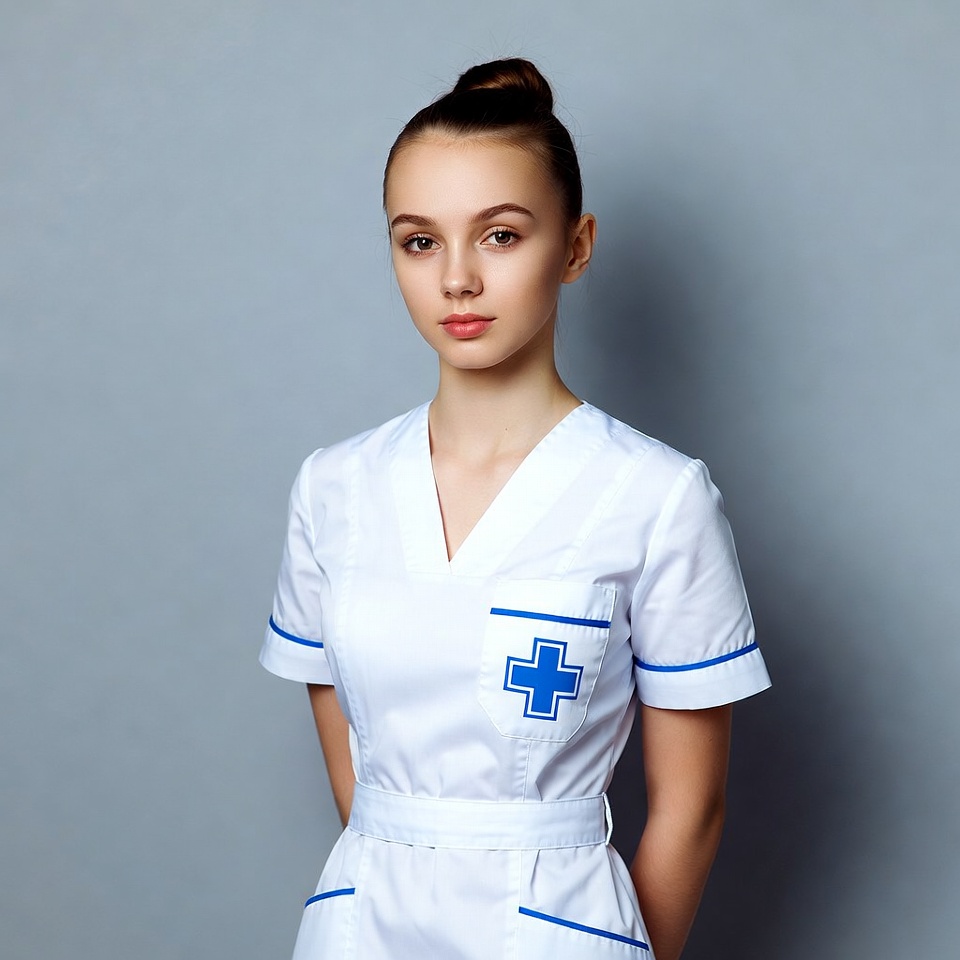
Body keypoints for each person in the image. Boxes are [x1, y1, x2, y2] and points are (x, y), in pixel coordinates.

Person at [260, 58, 771, 960]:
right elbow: (356, 772)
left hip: (559, 931)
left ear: (575, 247)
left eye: (499, 235)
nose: (457, 279)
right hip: (358, 927)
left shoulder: (656, 496)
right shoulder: (334, 488)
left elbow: (691, 806)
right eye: (419, 241)